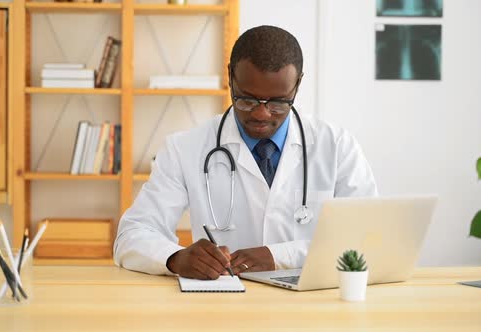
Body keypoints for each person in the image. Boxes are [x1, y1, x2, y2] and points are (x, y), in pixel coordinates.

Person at [114, 25, 377, 280]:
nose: (261, 114)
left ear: (297, 85)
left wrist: (278, 256)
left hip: (312, 312)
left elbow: (368, 237)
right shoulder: (184, 149)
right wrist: (174, 258)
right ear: (230, 77)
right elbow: (132, 235)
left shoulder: (337, 146)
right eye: (247, 99)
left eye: (277, 102)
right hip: (223, 308)